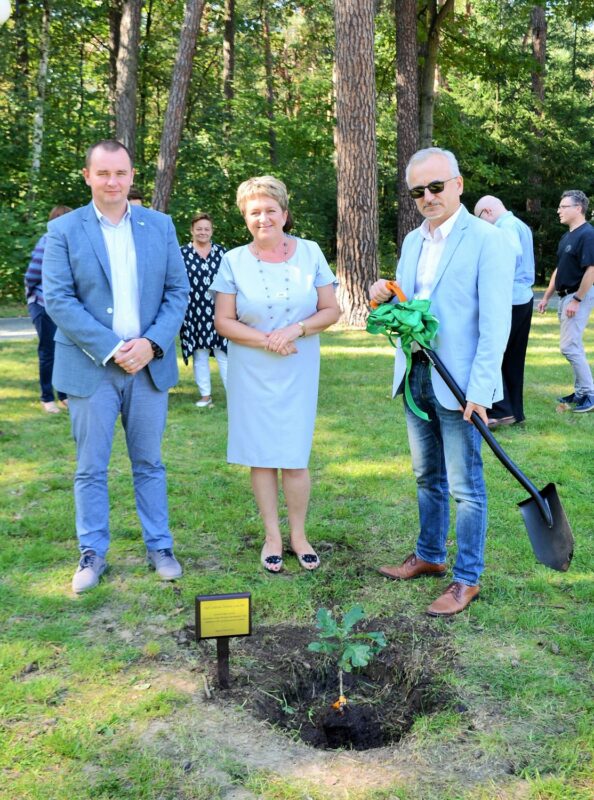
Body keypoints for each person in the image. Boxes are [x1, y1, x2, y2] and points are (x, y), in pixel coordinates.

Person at [370, 147, 514, 617]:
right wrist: (384, 294)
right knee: (425, 475)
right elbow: (411, 303)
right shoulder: (414, 241)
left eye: (435, 187)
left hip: (461, 384)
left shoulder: (488, 240)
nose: (428, 197)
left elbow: (496, 325)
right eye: (418, 191)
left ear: (458, 184)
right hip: (416, 373)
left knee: (465, 486)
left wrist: (480, 391)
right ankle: (430, 556)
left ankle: (466, 579)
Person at [43, 139, 190, 593]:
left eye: (121, 173)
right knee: (91, 467)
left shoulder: (159, 226)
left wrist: (150, 343)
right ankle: (92, 552)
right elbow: (58, 299)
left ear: (131, 175)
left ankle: (160, 546)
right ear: (87, 176)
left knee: (149, 462)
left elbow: (176, 293)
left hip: (148, 366)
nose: (113, 182)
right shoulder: (64, 230)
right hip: (91, 367)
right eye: (103, 173)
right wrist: (112, 347)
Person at [211, 176, 340, 573]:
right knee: (262, 456)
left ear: (284, 213)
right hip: (252, 366)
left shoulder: (311, 252)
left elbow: (330, 310)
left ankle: (299, 535)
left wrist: (294, 330)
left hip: (298, 362)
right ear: (244, 218)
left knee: (294, 454)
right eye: (254, 212)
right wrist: (268, 339)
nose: (262, 218)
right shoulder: (232, 260)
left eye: (269, 210)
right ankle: (272, 535)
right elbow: (224, 321)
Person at [473, 196, 535, 427]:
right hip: (523, 297)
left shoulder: (504, 227)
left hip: (508, 299)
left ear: (487, 211)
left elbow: (509, 254)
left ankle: (500, 411)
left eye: (481, 219)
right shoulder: (520, 224)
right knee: (513, 357)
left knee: (495, 353)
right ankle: (514, 411)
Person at [537, 190, 594, 413]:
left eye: (563, 206)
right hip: (564, 296)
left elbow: (592, 269)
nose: (558, 211)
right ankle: (581, 392)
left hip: (577, 295)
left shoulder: (588, 234)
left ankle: (589, 393)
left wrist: (577, 299)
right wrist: (547, 296)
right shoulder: (567, 236)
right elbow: (559, 269)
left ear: (578, 209)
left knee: (568, 346)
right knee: (574, 344)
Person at [25, 205, 72, 413]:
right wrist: (33, 300)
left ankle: (63, 395)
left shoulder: (72, 242)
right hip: (43, 305)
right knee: (48, 352)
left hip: (63, 308)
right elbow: (32, 275)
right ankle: (47, 398)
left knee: (64, 351)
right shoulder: (47, 241)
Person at [179, 212, 228, 407]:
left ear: (211, 231)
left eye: (207, 229)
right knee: (200, 354)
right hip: (194, 311)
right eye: (199, 229)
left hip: (221, 310)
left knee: (224, 354)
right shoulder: (181, 254)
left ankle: (234, 395)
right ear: (192, 230)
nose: (203, 232)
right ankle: (205, 396)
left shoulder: (222, 253)